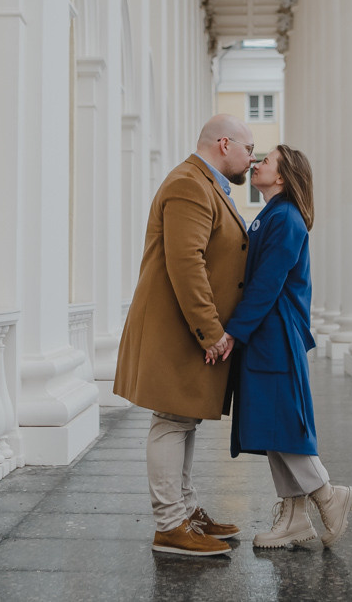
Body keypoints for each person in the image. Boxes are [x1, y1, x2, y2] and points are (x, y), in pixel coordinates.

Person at [114, 114, 256, 556]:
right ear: (225, 143)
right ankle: (169, 524)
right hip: (181, 330)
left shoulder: (204, 183)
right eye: (249, 150)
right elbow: (186, 262)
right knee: (172, 420)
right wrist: (211, 331)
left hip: (185, 329)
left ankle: (186, 512)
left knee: (183, 418)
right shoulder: (190, 184)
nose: (252, 160)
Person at [215, 145, 352, 548]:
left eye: (266, 161)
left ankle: (329, 495)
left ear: (281, 176)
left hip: (274, 335)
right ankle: (294, 517)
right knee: (273, 425)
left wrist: (233, 332)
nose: (256, 163)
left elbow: (266, 285)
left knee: (286, 427)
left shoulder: (286, 219)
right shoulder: (273, 216)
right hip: (267, 335)